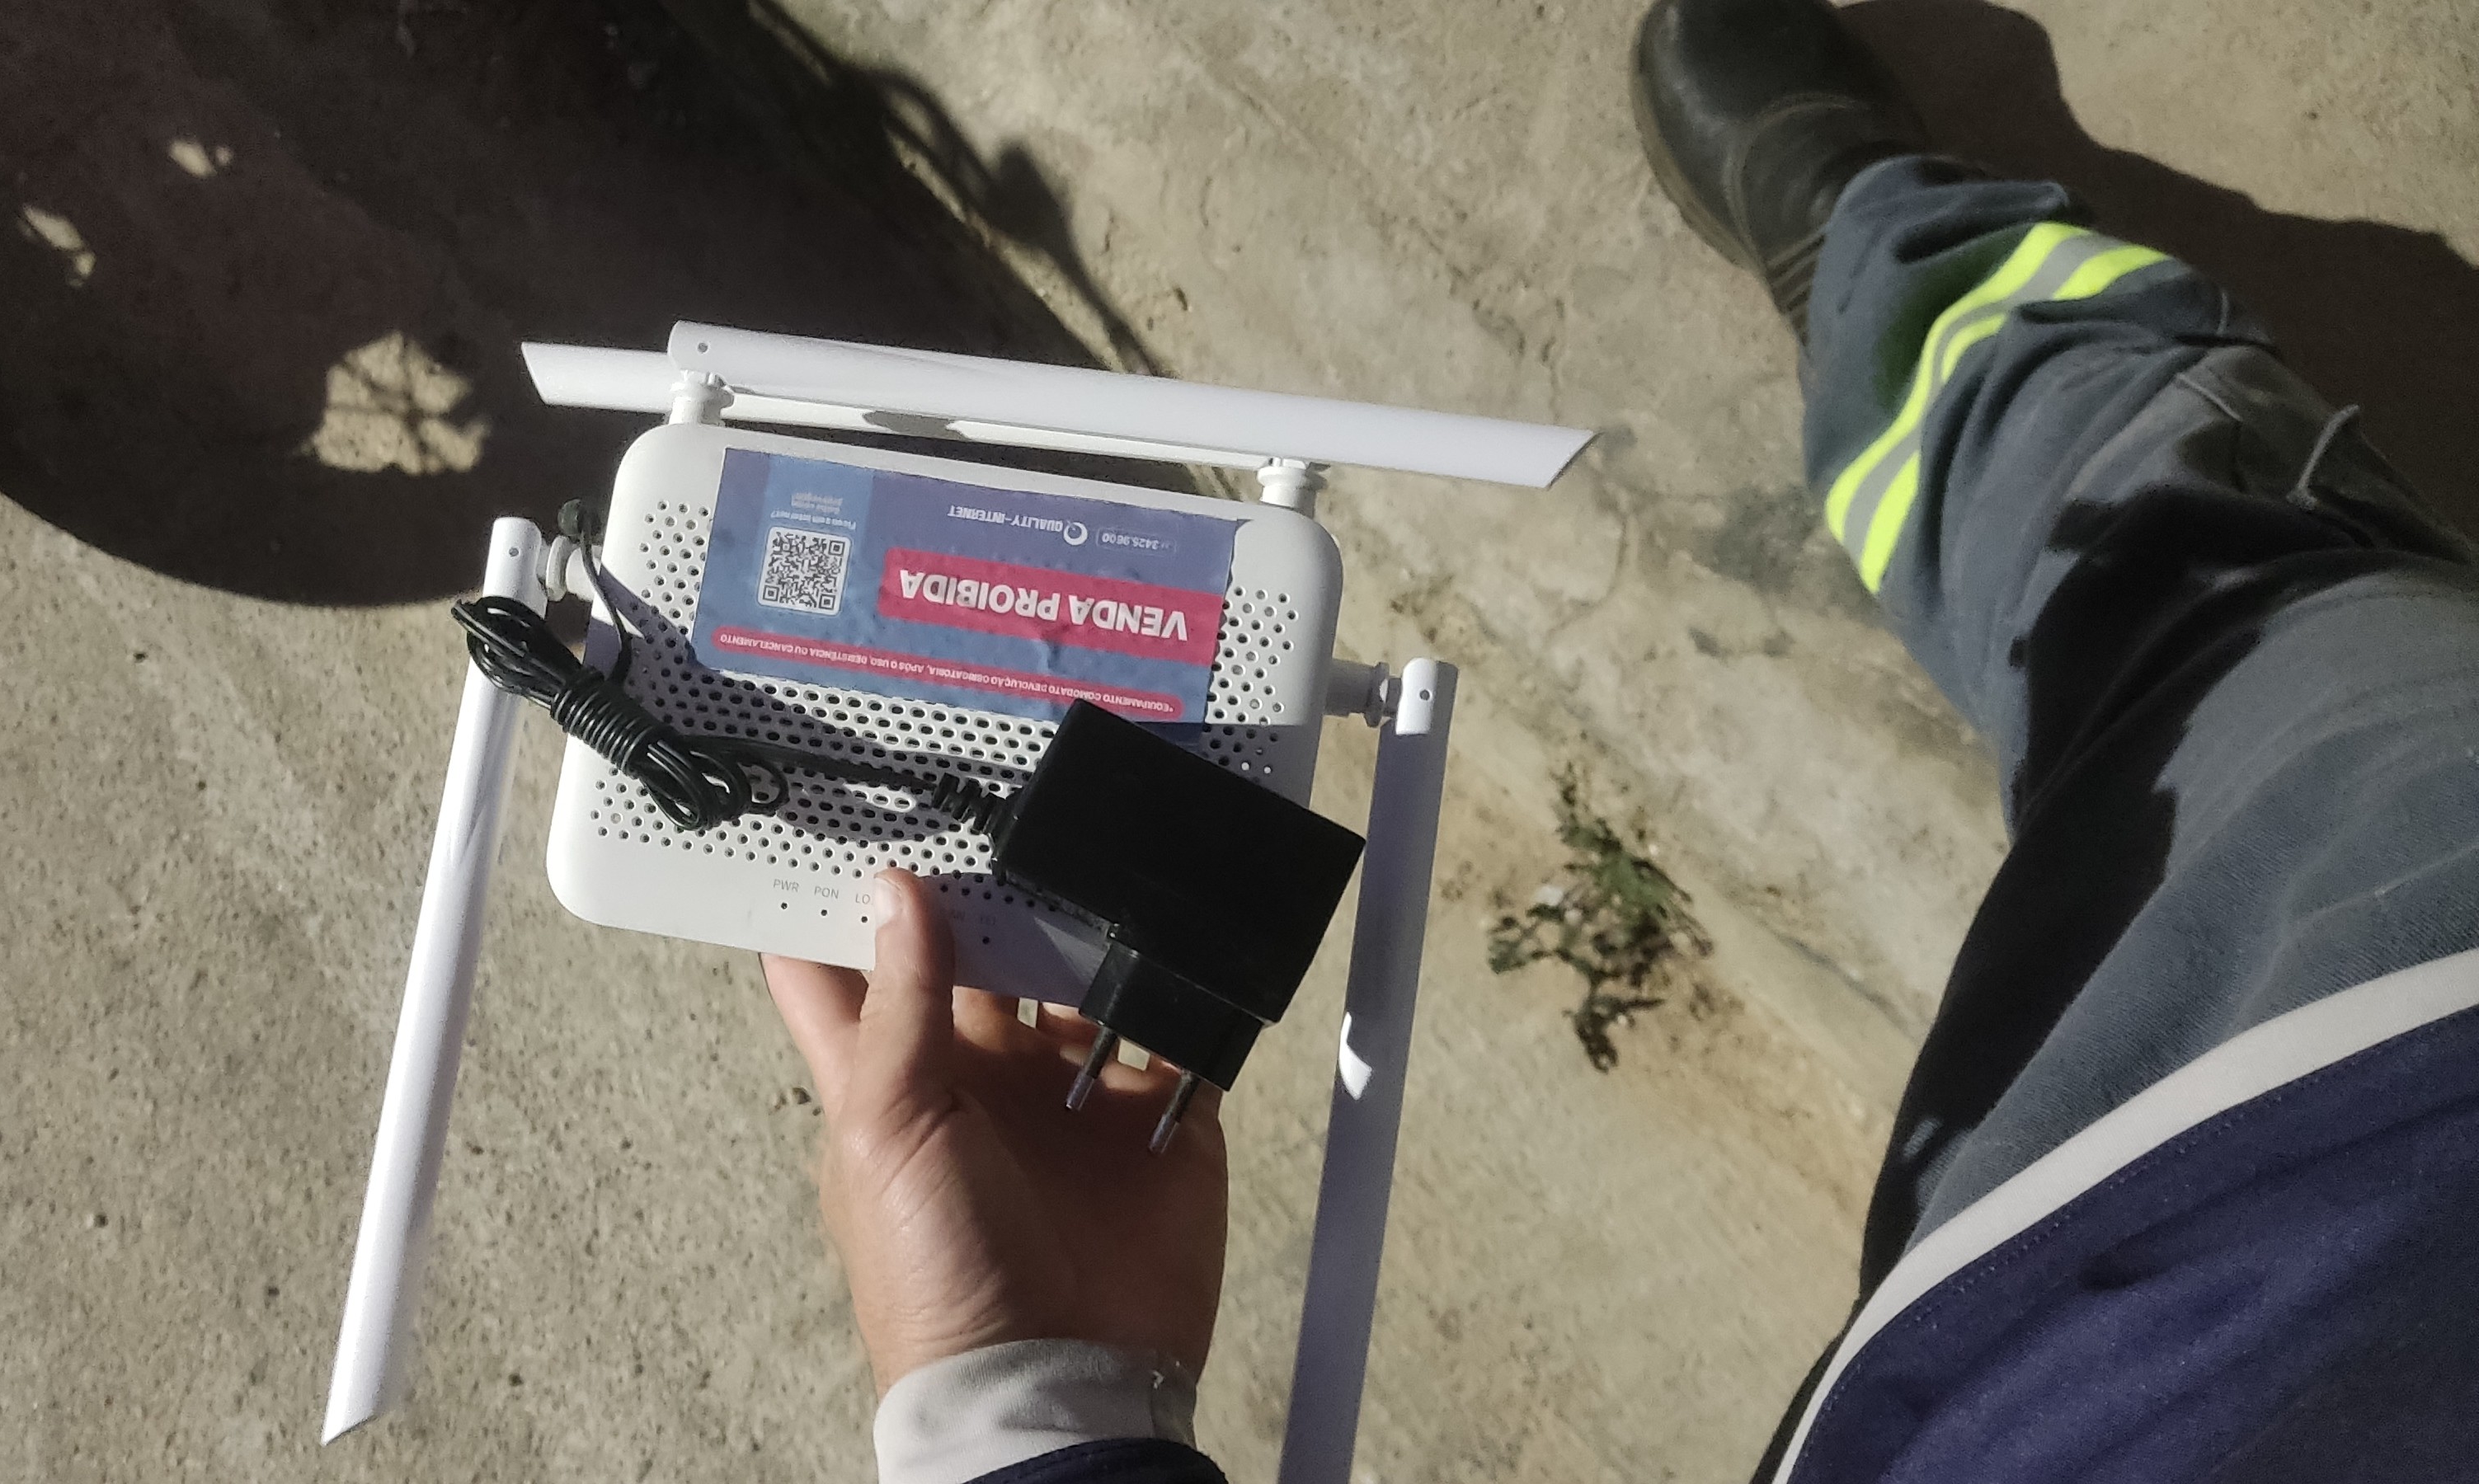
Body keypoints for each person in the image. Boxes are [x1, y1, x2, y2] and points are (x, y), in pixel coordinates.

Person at [761, 0, 2479, 1479]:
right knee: (2222, 595)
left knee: (2192, 624)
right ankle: (1937, 291)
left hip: (2011, 1329)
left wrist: (1030, 1408)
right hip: (2389, 1071)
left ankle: (1890, 264)